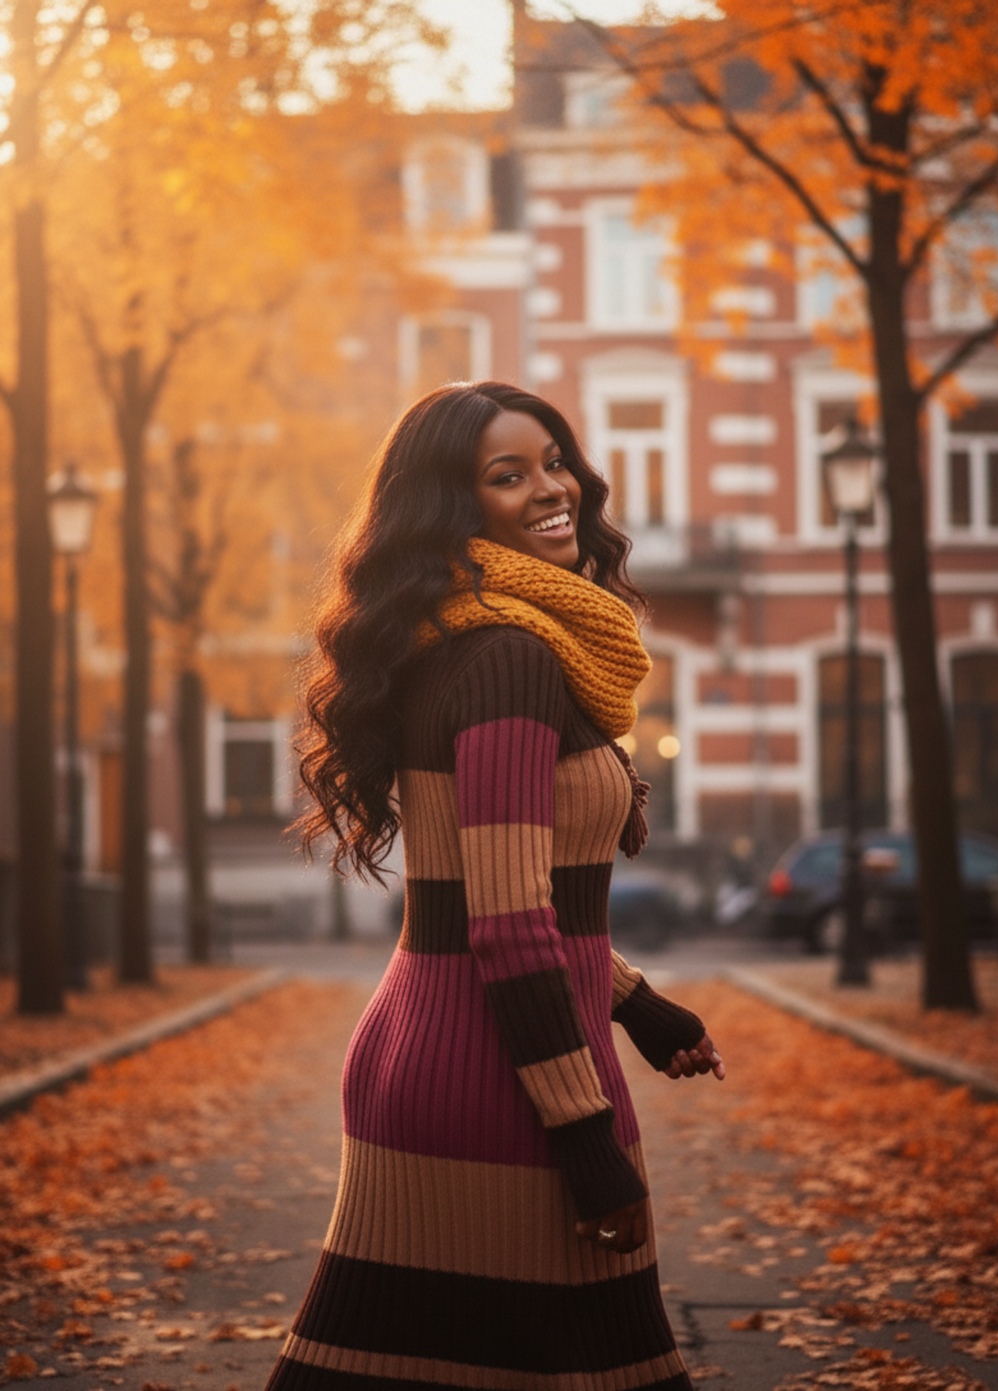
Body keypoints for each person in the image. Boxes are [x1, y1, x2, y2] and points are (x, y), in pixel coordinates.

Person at [265, 381, 725, 1391]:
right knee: (606, 1365)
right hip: (498, 1082)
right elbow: (510, 926)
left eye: (553, 459)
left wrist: (638, 1002)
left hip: (427, 1056)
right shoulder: (511, 660)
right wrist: (585, 1137)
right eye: (506, 475)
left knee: (379, 1364)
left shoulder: (451, 641)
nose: (551, 487)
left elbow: (482, 898)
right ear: (452, 506)